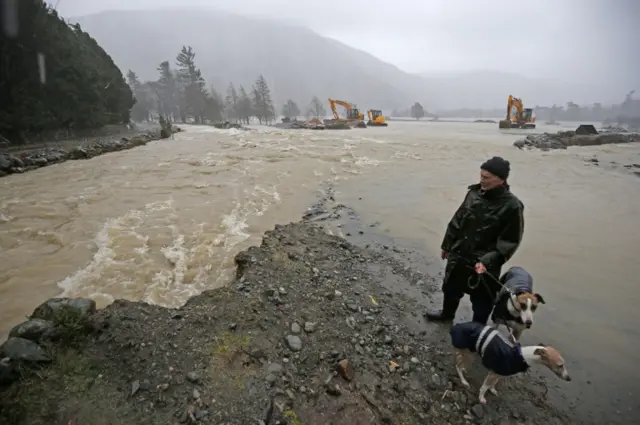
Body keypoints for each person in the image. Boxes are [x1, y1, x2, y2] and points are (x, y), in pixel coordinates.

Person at [425, 156, 524, 324]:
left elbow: (509, 242)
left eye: (486, 178)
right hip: (460, 252)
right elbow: (458, 219)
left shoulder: (513, 206)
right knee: (450, 287)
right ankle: (446, 315)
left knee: (482, 299)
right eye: (481, 176)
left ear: (501, 179)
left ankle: (478, 328)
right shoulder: (473, 193)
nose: (482, 181)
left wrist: (488, 260)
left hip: (483, 263)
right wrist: (447, 244)